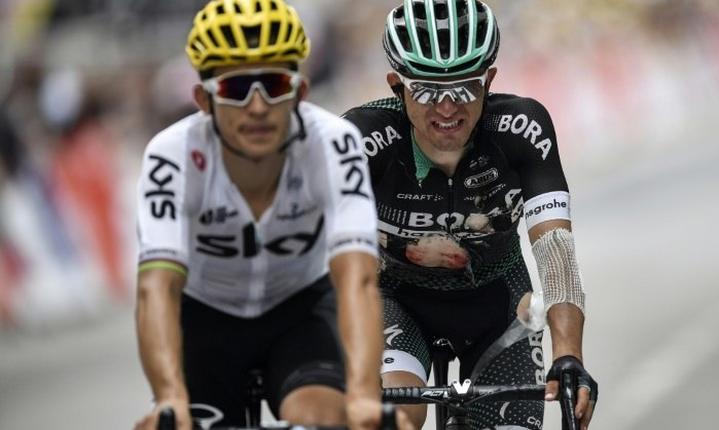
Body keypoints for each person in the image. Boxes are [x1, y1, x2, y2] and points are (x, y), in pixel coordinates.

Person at [133, 1, 397, 429]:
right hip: (205, 318)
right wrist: (169, 397)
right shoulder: (171, 155)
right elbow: (156, 288)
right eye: (237, 89)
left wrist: (365, 397)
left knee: (327, 420)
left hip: (300, 313)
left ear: (300, 91)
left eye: (273, 85)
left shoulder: (334, 143)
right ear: (203, 99)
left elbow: (358, 278)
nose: (257, 107)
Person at [342, 1, 598, 429]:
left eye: (464, 88)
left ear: (489, 81)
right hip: (398, 300)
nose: (446, 108)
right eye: (425, 90)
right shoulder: (362, 139)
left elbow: (556, 253)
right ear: (396, 86)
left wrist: (569, 355)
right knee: (394, 418)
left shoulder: (521, 129)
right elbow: (340, 263)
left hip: (498, 304)